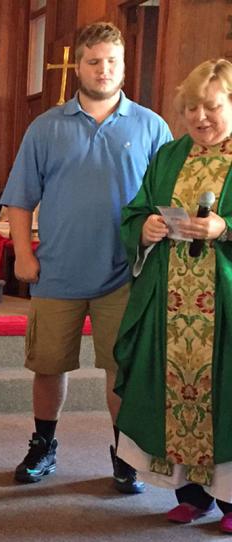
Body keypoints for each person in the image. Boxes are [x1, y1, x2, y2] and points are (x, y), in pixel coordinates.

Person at [0, 21, 172, 492]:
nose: (103, 69)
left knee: (122, 371)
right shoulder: (46, 126)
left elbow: (168, 199)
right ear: (79, 66)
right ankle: (43, 446)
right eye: (94, 61)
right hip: (57, 270)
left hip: (127, 273)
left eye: (112, 61)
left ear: (122, 64)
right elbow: (19, 198)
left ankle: (124, 454)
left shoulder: (152, 126)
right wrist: (22, 255)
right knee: (48, 365)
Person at [114, 59, 232, 532]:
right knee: (171, 391)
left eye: (212, 107)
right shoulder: (169, 155)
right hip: (169, 301)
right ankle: (191, 494)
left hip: (223, 305)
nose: (200, 118)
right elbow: (135, 209)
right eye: (190, 109)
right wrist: (145, 227)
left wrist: (225, 227)